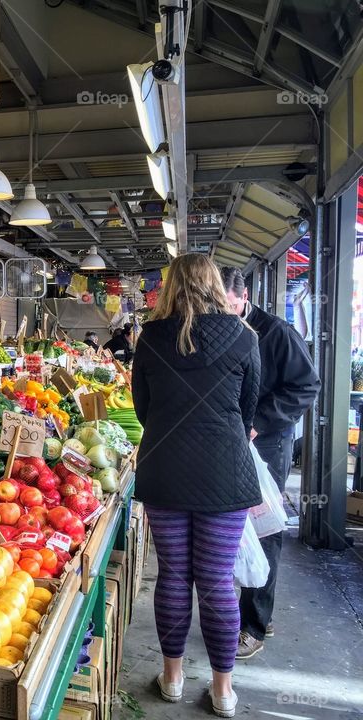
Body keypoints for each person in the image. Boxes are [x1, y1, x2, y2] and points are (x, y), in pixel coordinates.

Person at [132, 254, 261, 718]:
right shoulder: (246, 338)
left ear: (170, 288)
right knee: (217, 583)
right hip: (225, 476)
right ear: (214, 285)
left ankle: (171, 677)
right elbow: (248, 411)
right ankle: (223, 690)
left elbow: (142, 408)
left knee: (172, 575)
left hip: (163, 472)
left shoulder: (150, 337)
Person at [220, 267, 320, 660]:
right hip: (233, 442)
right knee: (236, 524)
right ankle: (261, 603)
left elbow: (306, 385)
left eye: (229, 306)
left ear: (243, 299)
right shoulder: (224, 329)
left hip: (268, 444)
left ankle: (254, 625)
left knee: (264, 525)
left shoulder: (276, 333)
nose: (224, 314)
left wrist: (259, 422)